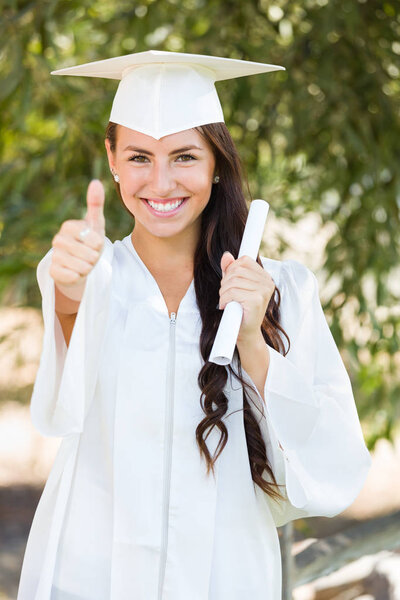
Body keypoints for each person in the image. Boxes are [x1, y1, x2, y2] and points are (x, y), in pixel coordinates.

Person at [17, 51, 372, 600]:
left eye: (184, 156)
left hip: (224, 575)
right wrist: (69, 294)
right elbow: (62, 389)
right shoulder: (89, 273)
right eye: (139, 157)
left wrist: (252, 336)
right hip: (90, 571)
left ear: (216, 164)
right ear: (111, 159)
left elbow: (329, 458)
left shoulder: (280, 287)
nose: (160, 182)